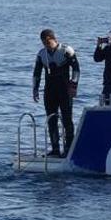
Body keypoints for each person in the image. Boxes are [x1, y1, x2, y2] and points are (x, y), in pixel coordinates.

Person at [32, 29, 80, 157]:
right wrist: (35, 89)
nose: (46, 45)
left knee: (67, 119)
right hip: (50, 90)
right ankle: (55, 149)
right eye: (43, 43)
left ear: (54, 39)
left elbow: (76, 69)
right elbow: (37, 73)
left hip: (65, 89)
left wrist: (73, 86)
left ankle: (69, 148)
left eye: (48, 42)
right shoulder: (42, 54)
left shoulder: (66, 50)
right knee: (51, 119)